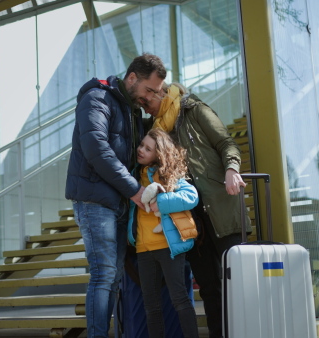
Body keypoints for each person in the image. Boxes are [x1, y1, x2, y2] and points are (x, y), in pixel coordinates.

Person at [65, 53, 166, 338]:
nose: (150, 97)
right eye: (149, 90)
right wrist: (135, 190)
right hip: (96, 200)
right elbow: (96, 147)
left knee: (114, 277)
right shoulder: (97, 97)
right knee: (104, 274)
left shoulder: (132, 110)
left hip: (120, 201)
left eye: (156, 92)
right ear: (132, 77)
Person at [142, 82, 249, 338]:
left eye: (148, 103)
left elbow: (226, 143)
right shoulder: (157, 133)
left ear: (161, 93)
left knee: (239, 285)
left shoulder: (195, 110)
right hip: (190, 222)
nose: (146, 111)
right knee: (210, 289)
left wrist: (232, 169)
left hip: (221, 210)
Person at [127, 128, 200, 338]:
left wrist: (158, 202)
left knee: (180, 300)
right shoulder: (133, 175)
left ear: (158, 154)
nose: (141, 150)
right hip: (143, 248)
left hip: (168, 247)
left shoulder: (166, 174)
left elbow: (190, 197)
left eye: (147, 149)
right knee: (151, 306)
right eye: (141, 145)